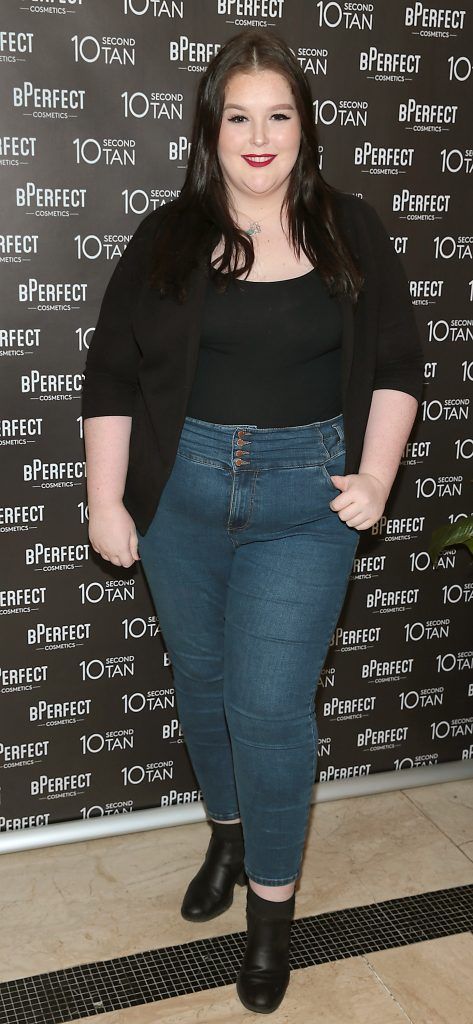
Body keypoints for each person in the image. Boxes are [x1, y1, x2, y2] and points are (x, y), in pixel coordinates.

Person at [82, 28, 424, 1016]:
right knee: (204, 681)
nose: (259, 135)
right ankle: (226, 831)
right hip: (180, 494)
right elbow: (110, 371)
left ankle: (269, 919)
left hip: (303, 501)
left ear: (304, 127)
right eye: (239, 116)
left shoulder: (350, 231)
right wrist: (108, 498)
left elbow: (398, 366)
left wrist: (374, 473)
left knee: (269, 708)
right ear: (210, 128)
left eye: (278, 114)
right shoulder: (168, 235)